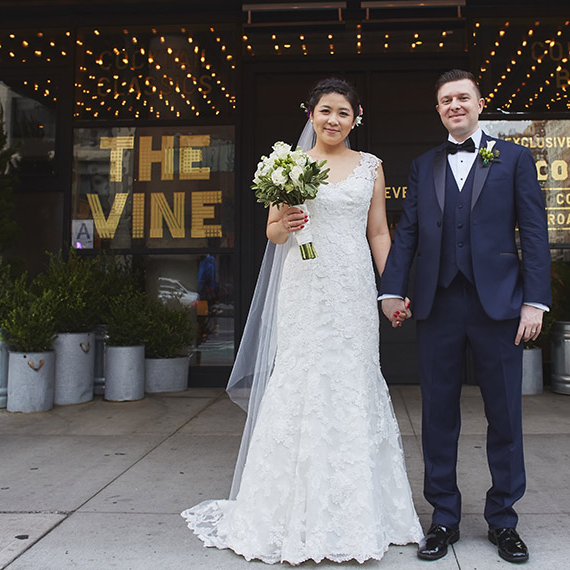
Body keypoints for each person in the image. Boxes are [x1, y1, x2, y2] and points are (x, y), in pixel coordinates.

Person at [182, 78, 423, 564]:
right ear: (310, 113)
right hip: (304, 283)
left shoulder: (370, 167)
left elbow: (378, 231)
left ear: (358, 119)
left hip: (352, 286)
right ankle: (286, 514)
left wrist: (392, 286)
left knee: (352, 377)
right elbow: (272, 231)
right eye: (326, 110)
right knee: (302, 376)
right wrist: (283, 225)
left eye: (344, 112)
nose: (334, 120)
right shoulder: (287, 166)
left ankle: (359, 511)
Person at [379, 69, 551, 564]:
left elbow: (533, 234)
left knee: (505, 417)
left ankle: (503, 520)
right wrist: (392, 289)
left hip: (499, 306)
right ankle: (444, 519)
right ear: (438, 110)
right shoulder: (422, 165)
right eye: (445, 100)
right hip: (437, 305)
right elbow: (407, 232)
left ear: (480, 103)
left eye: (462, 98)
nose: (454, 105)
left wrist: (534, 301)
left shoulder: (514, 158)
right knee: (437, 416)